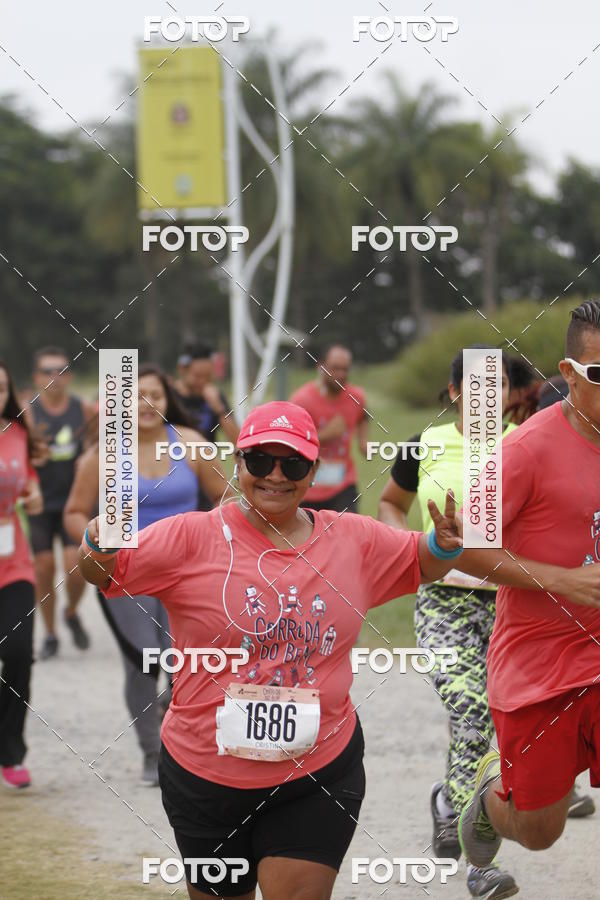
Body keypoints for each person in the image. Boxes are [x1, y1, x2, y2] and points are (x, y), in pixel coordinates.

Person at [77, 400, 600, 900]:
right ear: (238, 462)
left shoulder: (351, 538)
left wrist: (443, 542)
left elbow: (424, 559)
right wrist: (97, 545)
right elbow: (108, 573)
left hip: (316, 772)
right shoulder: (190, 537)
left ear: (313, 469)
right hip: (204, 774)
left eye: (293, 462)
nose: (275, 475)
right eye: (259, 459)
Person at [458, 300, 600, 881]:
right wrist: (563, 579)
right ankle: (490, 802)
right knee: (541, 831)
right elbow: (461, 547)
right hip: (542, 665)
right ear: (568, 373)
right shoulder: (522, 451)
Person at [378, 346, 522, 899]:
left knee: (496, 724)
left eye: (501, 386)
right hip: (444, 603)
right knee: (470, 711)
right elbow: (391, 504)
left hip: (512, 605)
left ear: (510, 394)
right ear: (456, 390)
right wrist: (412, 547)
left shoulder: (526, 446)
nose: (490, 398)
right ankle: (480, 865)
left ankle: (448, 801)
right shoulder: (425, 445)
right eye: (478, 387)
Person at [64, 364, 226, 784]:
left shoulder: (191, 444)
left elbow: (226, 499)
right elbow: (75, 512)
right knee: (140, 662)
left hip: (187, 575)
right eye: (135, 396)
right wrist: (94, 538)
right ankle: (152, 752)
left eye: (154, 394)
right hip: (124, 573)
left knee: (187, 661)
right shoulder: (103, 455)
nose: (145, 404)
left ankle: (181, 745)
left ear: (167, 400)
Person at [27, 346, 95, 659]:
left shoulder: (83, 411)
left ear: (69, 376)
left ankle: (71, 613)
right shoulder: (27, 413)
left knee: (76, 567)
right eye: (47, 371)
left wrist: (90, 457)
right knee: (43, 569)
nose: (54, 378)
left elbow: (104, 445)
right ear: (36, 377)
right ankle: (51, 633)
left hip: (73, 504)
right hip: (40, 505)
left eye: (61, 371)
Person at [0, 360, 43, 788]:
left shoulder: (17, 432)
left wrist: (32, 496)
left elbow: (28, 482)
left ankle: (10, 749)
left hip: (13, 562)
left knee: (17, 654)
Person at [290, 344, 368, 512]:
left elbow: (363, 417)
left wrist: (363, 441)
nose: (340, 374)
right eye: (335, 368)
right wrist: (326, 434)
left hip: (343, 485)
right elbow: (290, 442)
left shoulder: (356, 397)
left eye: (345, 369)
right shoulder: (301, 401)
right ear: (321, 367)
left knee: (350, 536)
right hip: (307, 488)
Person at [174, 342, 240, 444]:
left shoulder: (215, 397)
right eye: (197, 376)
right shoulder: (170, 396)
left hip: (206, 458)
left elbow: (238, 441)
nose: (203, 381)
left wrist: (219, 409)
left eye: (208, 376)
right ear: (182, 369)